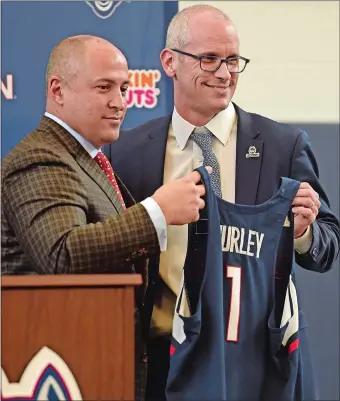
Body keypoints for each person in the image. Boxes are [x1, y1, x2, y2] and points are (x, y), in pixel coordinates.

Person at [109, 4, 340, 400]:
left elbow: (327, 245)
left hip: (257, 362)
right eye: (209, 59)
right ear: (169, 62)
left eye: (233, 60)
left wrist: (303, 233)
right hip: (161, 357)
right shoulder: (126, 153)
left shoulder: (283, 146)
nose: (224, 73)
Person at [1, 35, 209, 401]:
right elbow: (62, 255)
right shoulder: (40, 158)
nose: (119, 102)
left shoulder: (88, 158)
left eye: (124, 88)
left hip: (98, 361)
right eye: (104, 87)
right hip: (61, 368)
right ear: (57, 90)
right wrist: (157, 212)